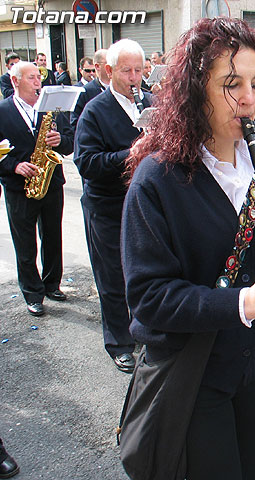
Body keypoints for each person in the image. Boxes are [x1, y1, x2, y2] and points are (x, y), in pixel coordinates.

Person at [121, 17, 255, 479]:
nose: (249, 98)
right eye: (231, 84)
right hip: (196, 371)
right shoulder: (159, 178)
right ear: (194, 89)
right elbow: (149, 299)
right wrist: (245, 302)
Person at [74, 39, 152, 373]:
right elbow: (86, 162)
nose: (135, 78)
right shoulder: (95, 109)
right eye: (127, 71)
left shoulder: (151, 102)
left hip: (144, 203)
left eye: (139, 70)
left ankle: (142, 330)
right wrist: (132, 154)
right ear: (109, 71)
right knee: (112, 275)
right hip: (107, 206)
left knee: (144, 270)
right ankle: (118, 342)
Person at [0, 61, 73, 316]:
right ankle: (32, 293)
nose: (37, 82)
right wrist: (14, 166)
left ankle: (52, 284)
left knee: (53, 237)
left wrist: (60, 140)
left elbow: (70, 142)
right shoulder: (2, 110)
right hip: (19, 187)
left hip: (51, 182)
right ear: (15, 81)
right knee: (25, 243)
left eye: (38, 77)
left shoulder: (51, 108)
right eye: (30, 78)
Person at [70, 49, 109, 131]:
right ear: (97, 66)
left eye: (93, 71)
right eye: (88, 71)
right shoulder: (82, 91)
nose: (91, 73)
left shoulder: (120, 88)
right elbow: (76, 123)